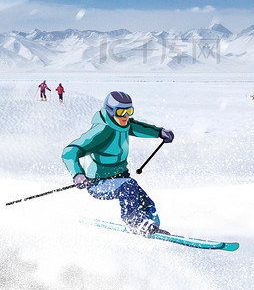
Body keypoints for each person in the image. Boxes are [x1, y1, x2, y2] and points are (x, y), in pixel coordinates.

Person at [62, 91, 174, 236]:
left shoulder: (125, 124)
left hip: (121, 180)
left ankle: (151, 227)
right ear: (110, 111)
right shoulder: (101, 131)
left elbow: (140, 128)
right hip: (99, 183)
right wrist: (78, 174)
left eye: (129, 111)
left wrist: (160, 133)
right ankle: (134, 223)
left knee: (147, 204)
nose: (125, 116)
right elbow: (69, 152)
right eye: (121, 112)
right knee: (129, 186)